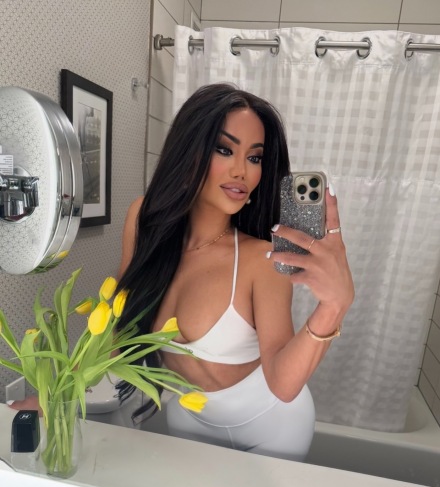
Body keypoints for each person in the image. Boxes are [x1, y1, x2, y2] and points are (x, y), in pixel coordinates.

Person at [116, 83, 354, 461]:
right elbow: (117, 325)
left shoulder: (261, 259)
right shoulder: (143, 221)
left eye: (255, 158)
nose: (242, 171)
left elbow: (283, 385)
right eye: (225, 150)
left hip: (273, 425)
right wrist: (59, 392)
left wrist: (334, 306)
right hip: (189, 418)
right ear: (189, 149)